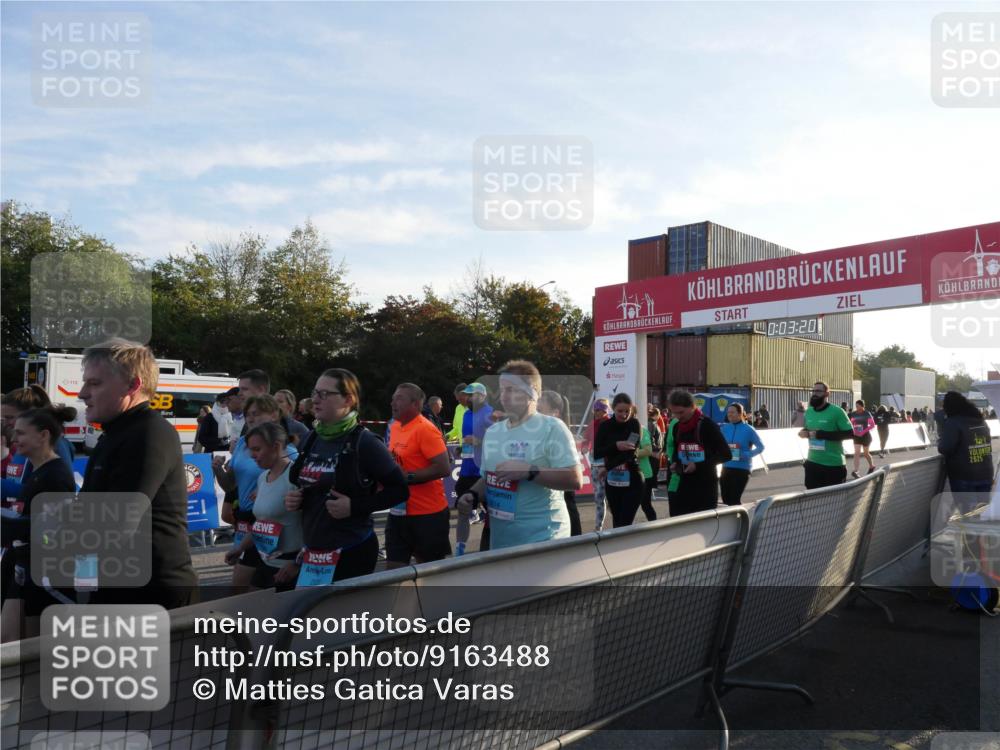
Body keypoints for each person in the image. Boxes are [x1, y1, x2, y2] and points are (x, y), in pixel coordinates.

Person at [77, 339, 197, 609]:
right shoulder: (113, 434)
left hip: (153, 596)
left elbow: (115, 524)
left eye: (94, 384)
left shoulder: (149, 433)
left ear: (133, 385)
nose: (82, 393)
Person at [285, 368, 408, 585]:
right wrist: (297, 498)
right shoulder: (311, 437)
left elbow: (400, 490)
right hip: (314, 553)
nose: (315, 400)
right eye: (315, 393)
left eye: (324, 394)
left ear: (348, 399)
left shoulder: (366, 443)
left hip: (352, 549)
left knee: (342, 619)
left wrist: (354, 506)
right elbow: (309, 485)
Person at [456, 360, 582, 551]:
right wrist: (472, 494)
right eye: (502, 389)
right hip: (501, 542)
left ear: (531, 392)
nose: (503, 397)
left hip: (544, 539)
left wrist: (529, 471)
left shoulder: (552, 428)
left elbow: (575, 479)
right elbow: (488, 477)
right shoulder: (494, 432)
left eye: (511, 390)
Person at [0, 407, 78, 642]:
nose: (15, 439)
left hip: (43, 578)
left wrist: (8, 527)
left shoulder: (54, 476)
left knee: (25, 649)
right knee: (9, 642)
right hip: (25, 569)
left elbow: (52, 533)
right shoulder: (39, 471)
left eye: (22, 433)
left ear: (43, 436)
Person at [214, 394, 298, 591]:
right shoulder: (244, 445)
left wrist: (298, 561)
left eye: (256, 414)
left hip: (284, 545)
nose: (250, 419)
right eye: (248, 414)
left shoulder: (293, 463)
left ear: (274, 415)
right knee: (243, 590)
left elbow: (311, 522)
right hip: (252, 523)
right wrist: (217, 470)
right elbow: (232, 487)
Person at [385, 383, 452, 568]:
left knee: (429, 574)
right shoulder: (395, 426)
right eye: (393, 398)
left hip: (428, 515)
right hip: (398, 512)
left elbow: (444, 468)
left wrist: (407, 477)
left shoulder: (426, 429)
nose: (392, 403)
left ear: (415, 405)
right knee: (393, 573)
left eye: (399, 398)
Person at [666, 390, 731, 516]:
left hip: (704, 489)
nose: (678, 416)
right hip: (682, 486)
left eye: (681, 412)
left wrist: (698, 465)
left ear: (692, 407)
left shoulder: (707, 425)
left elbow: (726, 454)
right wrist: (675, 462)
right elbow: (677, 449)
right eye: (674, 413)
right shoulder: (676, 427)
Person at [938, 391, 994, 514]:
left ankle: (972, 533)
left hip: (964, 476)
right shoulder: (980, 421)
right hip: (985, 473)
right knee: (982, 513)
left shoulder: (953, 422)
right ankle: (980, 533)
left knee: (969, 515)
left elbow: (945, 447)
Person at [594, 394, 645, 528]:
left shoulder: (634, 424)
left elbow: (630, 452)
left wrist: (607, 466)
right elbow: (598, 451)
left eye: (627, 411)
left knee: (625, 524)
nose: (624, 414)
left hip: (633, 479)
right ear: (613, 409)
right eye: (620, 411)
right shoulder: (605, 426)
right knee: (617, 524)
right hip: (613, 481)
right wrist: (616, 445)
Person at [538, 390, 582, 536]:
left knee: (569, 505)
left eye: (539, 408)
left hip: (561, 478)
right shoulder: (540, 429)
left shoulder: (558, 430)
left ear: (555, 412)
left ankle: (576, 542)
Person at [799, 382, 855, 490]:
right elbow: (809, 429)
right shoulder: (809, 412)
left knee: (833, 503)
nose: (815, 394)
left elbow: (850, 434)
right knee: (813, 501)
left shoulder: (837, 411)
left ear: (827, 394)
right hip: (812, 463)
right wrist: (804, 432)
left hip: (833, 465)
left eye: (818, 391)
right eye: (813, 391)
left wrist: (821, 434)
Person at [457, 383, 494, 536]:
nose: (468, 398)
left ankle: (492, 532)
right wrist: (462, 447)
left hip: (483, 467)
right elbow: (467, 437)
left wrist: (478, 441)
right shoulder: (467, 414)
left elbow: (499, 440)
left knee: (490, 504)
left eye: (471, 395)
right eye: (467, 395)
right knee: (461, 496)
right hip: (468, 465)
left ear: (481, 396)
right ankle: (461, 544)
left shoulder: (489, 413)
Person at [719, 403, 765, 506]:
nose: (729, 414)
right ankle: (731, 521)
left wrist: (745, 454)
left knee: (734, 499)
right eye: (728, 412)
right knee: (726, 500)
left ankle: (741, 520)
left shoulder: (748, 429)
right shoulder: (724, 428)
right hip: (726, 467)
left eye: (732, 412)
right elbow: (719, 445)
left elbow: (761, 447)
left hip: (742, 469)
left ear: (740, 414)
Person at [584, 398, 611, 531]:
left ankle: (620, 523)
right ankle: (598, 527)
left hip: (608, 465)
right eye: (595, 410)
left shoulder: (611, 424)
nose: (596, 412)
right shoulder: (592, 424)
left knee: (611, 497)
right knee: (598, 497)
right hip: (595, 464)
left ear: (605, 410)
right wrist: (584, 446)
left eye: (599, 410)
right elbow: (586, 440)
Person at [639, 407, 664, 522]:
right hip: (648, 463)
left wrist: (655, 451)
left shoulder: (647, 427)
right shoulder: (652, 424)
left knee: (645, 503)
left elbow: (649, 447)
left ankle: (653, 523)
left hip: (646, 467)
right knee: (643, 503)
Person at [849, 400, 877, 478]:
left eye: (858, 406)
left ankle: (871, 466)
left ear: (862, 406)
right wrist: (854, 430)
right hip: (857, 435)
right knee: (856, 453)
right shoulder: (853, 414)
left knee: (865, 453)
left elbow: (872, 425)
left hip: (866, 436)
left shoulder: (867, 413)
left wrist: (863, 431)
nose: (857, 407)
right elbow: (852, 423)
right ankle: (856, 471)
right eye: (856, 406)